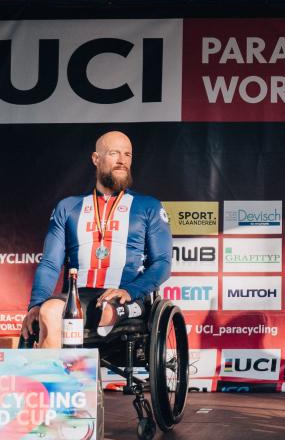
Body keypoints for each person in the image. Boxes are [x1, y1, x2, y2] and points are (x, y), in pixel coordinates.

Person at [21, 131, 172, 347]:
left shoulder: (148, 206)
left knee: (109, 309)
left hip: (126, 296)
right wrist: (36, 305)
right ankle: (62, 380)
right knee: (49, 311)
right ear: (96, 159)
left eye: (127, 155)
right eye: (114, 153)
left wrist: (130, 291)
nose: (122, 160)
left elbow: (162, 264)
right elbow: (50, 263)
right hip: (77, 297)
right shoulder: (68, 207)